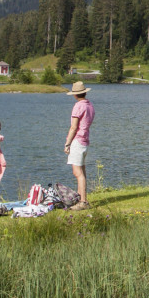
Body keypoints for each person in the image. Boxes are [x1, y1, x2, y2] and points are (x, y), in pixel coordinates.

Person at [63, 81, 94, 210]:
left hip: (77, 141)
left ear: (75, 95)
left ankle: (83, 202)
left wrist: (67, 143)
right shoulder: (89, 105)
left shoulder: (78, 106)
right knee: (82, 171)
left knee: (77, 173)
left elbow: (74, 127)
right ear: (85, 93)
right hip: (85, 141)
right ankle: (81, 198)